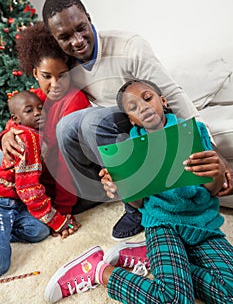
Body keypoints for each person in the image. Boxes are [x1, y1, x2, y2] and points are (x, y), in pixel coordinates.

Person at [1, 0, 232, 240]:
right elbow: (39, 97)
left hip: (145, 120)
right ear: (55, 39)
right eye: (65, 37)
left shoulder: (128, 46)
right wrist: (8, 131)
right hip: (119, 127)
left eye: (81, 28)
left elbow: (170, 94)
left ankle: (134, 208)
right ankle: (100, 194)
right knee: (67, 126)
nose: (77, 41)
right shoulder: (67, 63)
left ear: (89, 18)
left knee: (90, 121)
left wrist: (209, 145)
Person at [44, 79, 233, 304]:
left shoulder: (194, 131)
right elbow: (137, 203)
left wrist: (219, 172)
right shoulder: (128, 152)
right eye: (132, 108)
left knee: (228, 293)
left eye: (147, 98)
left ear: (162, 101)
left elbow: (212, 191)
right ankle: (98, 270)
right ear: (131, 119)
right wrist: (122, 188)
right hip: (162, 225)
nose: (142, 107)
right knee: (175, 299)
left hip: (202, 224)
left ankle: (154, 258)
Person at [15, 21, 93, 219]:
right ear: (35, 74)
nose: (55, 84)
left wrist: (62, 210)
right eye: (46, 76)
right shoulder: (37, 97)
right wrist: (7, 134)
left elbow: (66, 163)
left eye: (62, 76)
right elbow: (17, 120)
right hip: (44, 181)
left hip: (74, 187)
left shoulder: (75, 101)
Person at [0, 91, 81, 276]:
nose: (38, 113)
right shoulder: (26, 138)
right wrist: (59, 222)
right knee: (1, 264)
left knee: (39, 231)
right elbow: (29, 191)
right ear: (16, 119)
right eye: (29, 111)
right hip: (4, 201)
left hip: (18, 204)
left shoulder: (38, 135)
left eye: (40, 109)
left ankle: (6, 229)